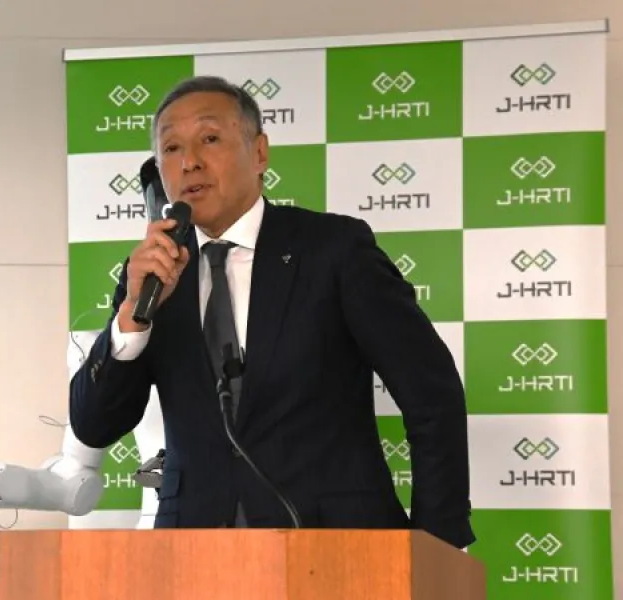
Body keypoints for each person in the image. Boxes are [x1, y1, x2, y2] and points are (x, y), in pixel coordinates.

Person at [69, 75, 476, 549]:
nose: (189, 162)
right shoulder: (151, 275)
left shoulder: (334, 250)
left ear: (259, 152)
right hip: (195, 553)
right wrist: (132, 321)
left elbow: (431, 394)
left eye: (209, 139)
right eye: (171, 149)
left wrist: (435, 545)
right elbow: (94, 425)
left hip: (338, 546)